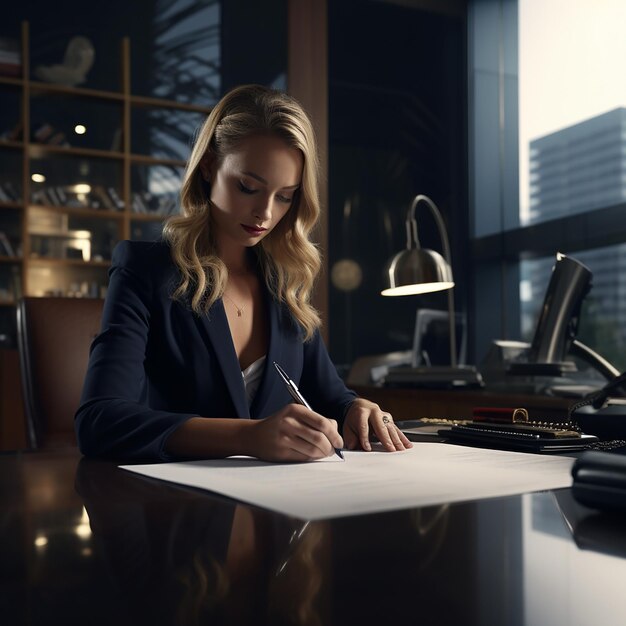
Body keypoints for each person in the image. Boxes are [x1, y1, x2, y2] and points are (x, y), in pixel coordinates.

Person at [75, 84, 412, 462]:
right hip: (174, 510)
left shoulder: (284, 282)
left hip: (277, 513)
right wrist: (248, 437)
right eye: (249, 187)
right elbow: (99, 421)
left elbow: (329, 396)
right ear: (208, 166)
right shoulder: (145, 270)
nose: (265, 213)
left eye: (285, 196)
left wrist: (356, 410)